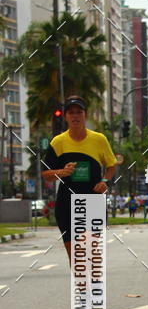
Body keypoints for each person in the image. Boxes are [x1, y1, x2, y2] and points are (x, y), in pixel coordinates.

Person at [42, 96, 117, 263]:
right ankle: (82, 288)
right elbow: (46, 174)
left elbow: (111, 166)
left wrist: (105, 182)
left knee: (90, 251)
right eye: (71, 112)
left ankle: (89, 286)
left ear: (85, 115)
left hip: (92, 201)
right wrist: (63, 171)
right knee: (76, 256)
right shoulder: (58, 142)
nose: (75, 116)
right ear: (66, 116)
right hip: (67, 202)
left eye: (79, 112)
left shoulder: (99, 139)